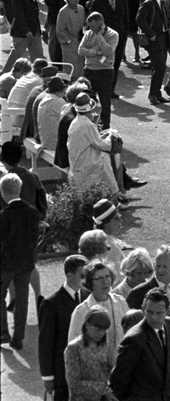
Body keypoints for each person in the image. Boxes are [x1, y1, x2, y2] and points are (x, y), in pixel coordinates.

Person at [108, 288, 170, 401]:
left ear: (168, 311)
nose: (154, 317)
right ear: (143, 309)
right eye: (149, 312)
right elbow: (118, 380)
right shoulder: (134, 339)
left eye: (159, 313)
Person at [39, 254, 89, 401]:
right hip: (62, 370)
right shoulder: (51, 303)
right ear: (69, 275)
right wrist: (47, 376)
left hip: (86, 367)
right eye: (82, 275)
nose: (86, 279)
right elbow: (45, 343)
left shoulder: (89, 296)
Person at [0, 172, 40, 351]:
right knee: (22, 299)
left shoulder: (4, 215)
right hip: (26, 263)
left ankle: (2, 333)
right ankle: (19, 337)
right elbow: (34, 239)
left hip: (6, 264)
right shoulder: (32, 212)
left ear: (3, 192)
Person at [63, 306, 116, 401]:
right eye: (97, 329)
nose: (101, 333)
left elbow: (106, 369)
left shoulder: (103, 344)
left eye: (104, 330)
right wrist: (102, 387)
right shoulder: (74, 348)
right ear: (87, 325)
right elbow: (74, 384)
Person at [136, 0, 170, 104]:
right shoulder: (149, 3)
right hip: (154, 40)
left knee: (160, 67)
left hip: (163, 38)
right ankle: (152, 94)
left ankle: (157, 93)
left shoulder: (162, 3)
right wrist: (150, 34)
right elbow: (140, 19)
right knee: (159, 67)